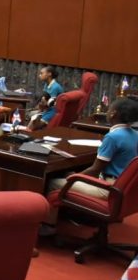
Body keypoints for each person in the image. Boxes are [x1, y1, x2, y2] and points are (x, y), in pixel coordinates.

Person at [43, 98, 138, 231]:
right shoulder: (136, 135)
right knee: (69, 174)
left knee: (53, 182)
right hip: (124, 188)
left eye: (109, 108)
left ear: (113, 113)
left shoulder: (113, 137)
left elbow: (95, 169)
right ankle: (73, 216)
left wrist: (73, 177)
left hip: (108, 188)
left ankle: (48, 226)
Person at [28, 66, 64, 131]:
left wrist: (40, 108)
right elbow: (44, 98)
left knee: (33, 127)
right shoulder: (46, 84)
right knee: (30, 117)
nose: (39, 75)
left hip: (53, 111)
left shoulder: (55, 87)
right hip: (46, 109)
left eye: (41, 73)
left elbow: (50, 104)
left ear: (49, 74)